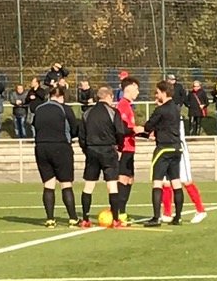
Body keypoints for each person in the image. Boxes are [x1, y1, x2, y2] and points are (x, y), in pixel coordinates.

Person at [78, 86, 126, 228]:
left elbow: (81, 135)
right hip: (108, 150)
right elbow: (120, 132)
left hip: (92, 149)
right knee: (112, 185)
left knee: (88, 185)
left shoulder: (87, 113)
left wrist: (86, 150)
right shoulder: (113, 112)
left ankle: (85, 218)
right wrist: (119, 147)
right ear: (109, 97)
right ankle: (115, 219)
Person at [33, 85, 80, 228]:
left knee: (48, 183)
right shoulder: (64, 109)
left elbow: (34, 126)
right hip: (60, 147)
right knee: (66, 183)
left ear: (49, 96)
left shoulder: (39, 109)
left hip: (41, 147)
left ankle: (50, 219)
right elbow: (74, 128)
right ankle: (73, 218)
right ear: (62, 97)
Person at [142, 81, 184, 228]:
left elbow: (148, 126)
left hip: (163, 148)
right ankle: (178, 217)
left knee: (157, 182)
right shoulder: (176, 108)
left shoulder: (161, 110)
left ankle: (156, 217)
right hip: (176, 148)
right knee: (176, 182)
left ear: (163, 93)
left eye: (157, 92)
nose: (156, 95)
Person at [160, 119, 207, 224]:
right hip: (165, 149)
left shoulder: (175, 116)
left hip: (178, 150)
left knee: (186, 180)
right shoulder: (161, 113)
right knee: (166, 182)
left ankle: (200, 210)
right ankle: (166, 213)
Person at [114, 76, 140, 225]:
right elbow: (122, 129)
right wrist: (137, 130)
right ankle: (119, 212)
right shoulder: (122, 105)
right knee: (123, 178)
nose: (138, 92)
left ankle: (122, 212)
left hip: (130, 147)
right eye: (136, 88)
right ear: (128, 89)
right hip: (124, 148)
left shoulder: (128, 106)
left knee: (129, 179)